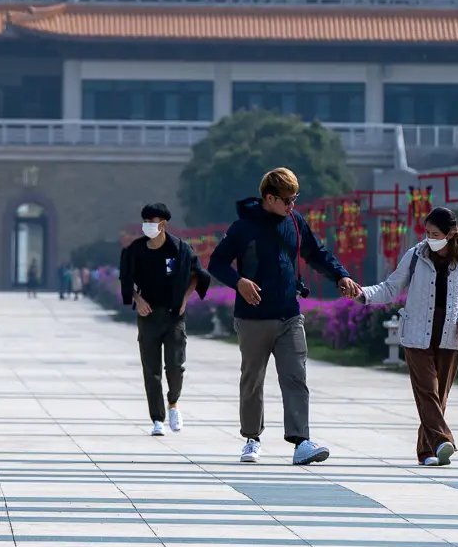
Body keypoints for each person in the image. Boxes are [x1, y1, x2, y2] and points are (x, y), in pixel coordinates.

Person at [207, 167, 357, 466]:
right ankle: (252, 438)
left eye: (295, 199)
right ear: (269, 197)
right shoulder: (243, 227)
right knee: (253, 379)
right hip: (252, 318)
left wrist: (339, 276)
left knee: (295, 378)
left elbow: (316, 252)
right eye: (287, 200)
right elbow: (217, 262)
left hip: (289, 314)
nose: (292, 206)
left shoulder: (295, 222)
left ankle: (301, 442)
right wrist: (239, 282)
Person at [349, 206, 458, 466]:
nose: (429, 238)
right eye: (427, 232)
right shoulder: (415, 256)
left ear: (450, 233)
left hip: (450, 335)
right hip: (417, 334)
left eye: (435, 233)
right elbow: (390, 287)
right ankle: (444, 440)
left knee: (439, 395)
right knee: (427, 391)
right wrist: (362, 293)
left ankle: (427, 452)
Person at [119, 202, 212, 436]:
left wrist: (185, 300)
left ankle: (173, 404)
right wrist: (138, 300)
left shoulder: (180, 249)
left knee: (175, 366)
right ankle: (157, 419)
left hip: (174, 315)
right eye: (145, 221)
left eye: (152, 221)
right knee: (151, 370)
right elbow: (126, 280)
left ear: (163, 224)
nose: (147, 225)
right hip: (149, 316)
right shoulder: (135, 251)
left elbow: (197, 276)